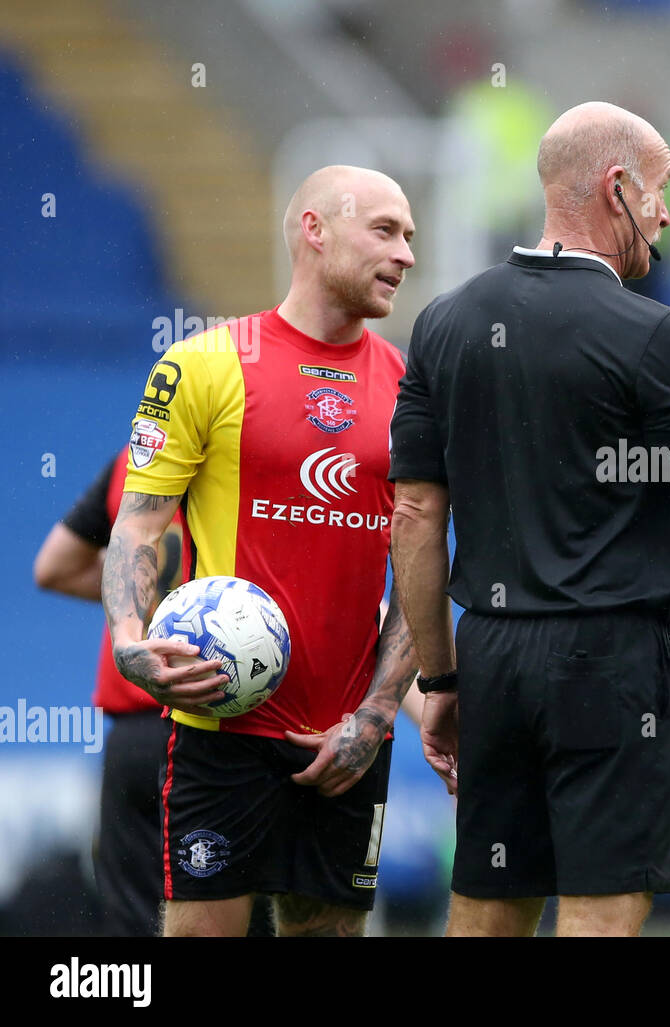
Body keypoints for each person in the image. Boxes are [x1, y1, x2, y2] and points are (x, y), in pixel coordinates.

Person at [388, 101, 670, 938]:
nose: (668, 213)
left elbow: (417, 513)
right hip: (605, 659)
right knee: (602, 908)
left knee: (489, 905)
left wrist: (442, 679)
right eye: (660, 191)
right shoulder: (653, 337)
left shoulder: (444, 323)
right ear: (617, 188)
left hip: (490, 650)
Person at [101, 165, 421, 937]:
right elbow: (139, 525)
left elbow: (422, 566)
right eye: (385, 230)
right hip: (220, 727)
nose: (406, 253)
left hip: (346, 740)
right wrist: (129, 642)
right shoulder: (203, 364)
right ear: (315, 230)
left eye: (410, 236)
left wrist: (377, 715)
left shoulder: (415, 388)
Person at [35, 450, 278, 937]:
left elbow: (54, 567)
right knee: (239, 916)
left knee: (132, 921)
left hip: (138, 734)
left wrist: (155, 614)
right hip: (224, 734)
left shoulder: (137, 460)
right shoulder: (265, 461)